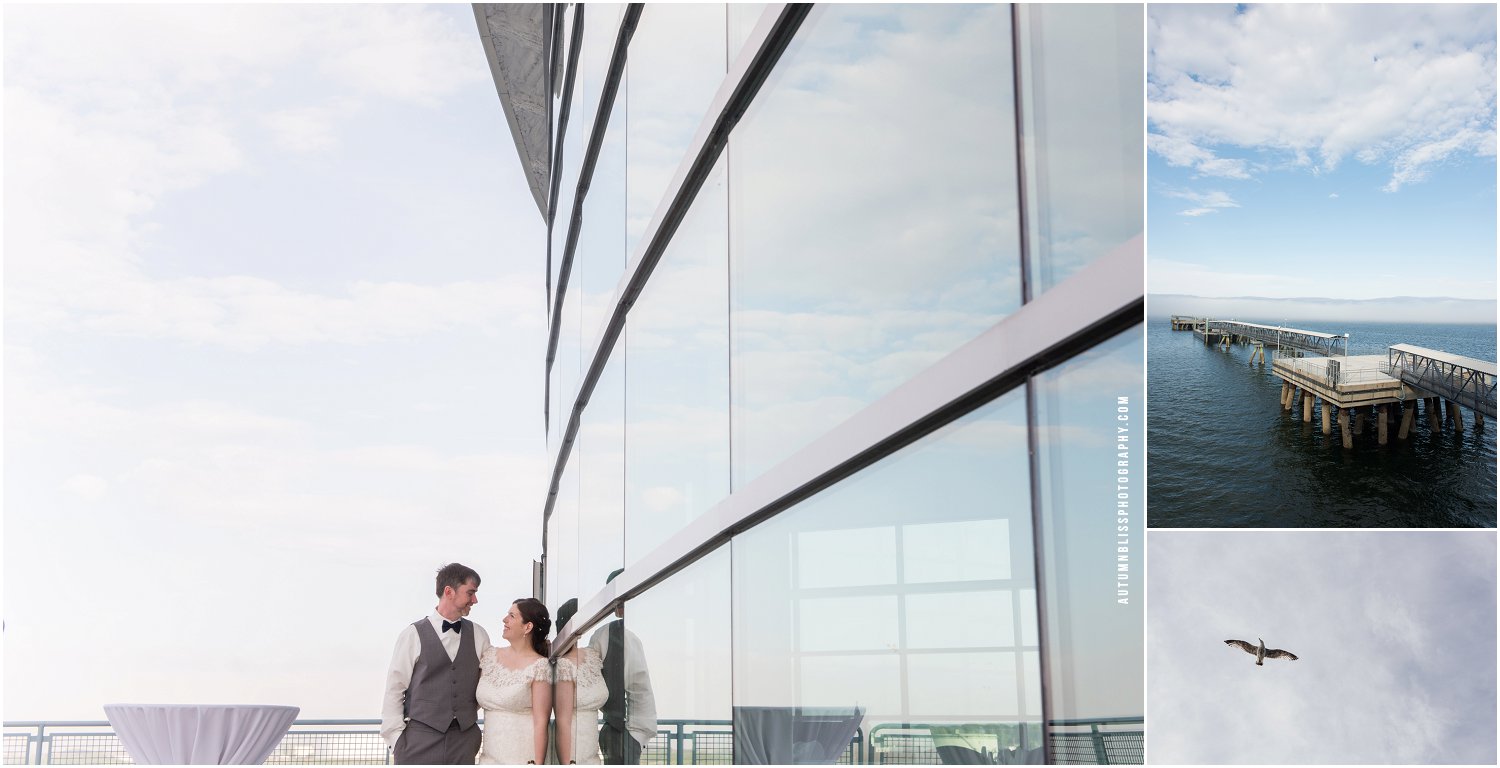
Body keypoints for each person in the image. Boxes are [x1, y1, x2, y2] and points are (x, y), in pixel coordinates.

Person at [382, 563, 491, 764]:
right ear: (449, 592)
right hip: (418, 741)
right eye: (470, 592)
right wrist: (396, 740)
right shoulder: (412, 634)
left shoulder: (479, 635)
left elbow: (491, 682)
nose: (475, 600)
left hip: (464, 741)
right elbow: (395, 688)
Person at [587, 570, 657, 764]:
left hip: (627, 731)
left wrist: (636, 736)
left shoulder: (615, 634)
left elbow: (639, 686)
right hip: (621, 729)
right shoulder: (611, 633)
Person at [476, 598, 554, 765]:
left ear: (528, 627)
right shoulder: (489, 656)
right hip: (489, 758)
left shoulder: (540, 666)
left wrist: (537, 763)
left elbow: (541, 722)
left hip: (522, 757)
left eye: (511, 615)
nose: (504, 620)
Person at [553, 598, 607, 764]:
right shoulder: (563, 664)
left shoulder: (592, 655)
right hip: (572, 753)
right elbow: (563, 722)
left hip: (592, 751)